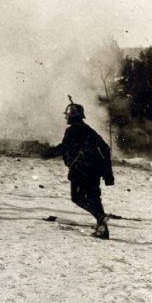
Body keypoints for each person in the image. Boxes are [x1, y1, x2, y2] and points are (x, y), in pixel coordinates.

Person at [42, 101, 114, 239]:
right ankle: (103, 230)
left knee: (76, 198)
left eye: (67, 115)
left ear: (73, 116)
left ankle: (100, 217)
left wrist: (46, 154)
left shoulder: (71, 130)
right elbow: (105, 148)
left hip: (81, 170)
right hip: (94, 170)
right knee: (94, 199)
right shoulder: (89, 130)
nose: (65, 118)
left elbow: (64, 147)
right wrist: (107, 173)